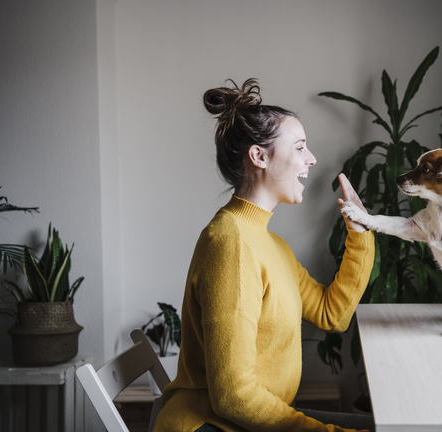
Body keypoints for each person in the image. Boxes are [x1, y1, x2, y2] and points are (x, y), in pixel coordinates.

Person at [154, 78, 375, 432]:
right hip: (210, 425)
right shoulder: (231, 244)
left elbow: (333, 314)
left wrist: (360, 236)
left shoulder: (270, 245)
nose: (311, 158)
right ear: (258, 156)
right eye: (300, 147)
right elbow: (233, 397)